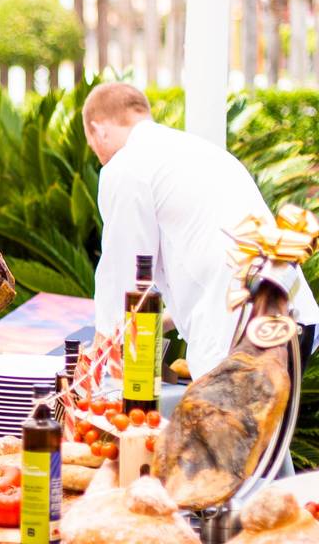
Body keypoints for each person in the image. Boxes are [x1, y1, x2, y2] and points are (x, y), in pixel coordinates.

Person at [82, 82, 318, 379]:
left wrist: (98, 355)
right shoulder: (196, 152)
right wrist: (162, 321)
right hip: (293, 320)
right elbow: (212, 257)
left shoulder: (126, 165)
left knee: (227, 426)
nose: (98, 155)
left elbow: (123, 272)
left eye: (93, 146)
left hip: (239, 336)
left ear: (98, 129)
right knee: (271, 427)